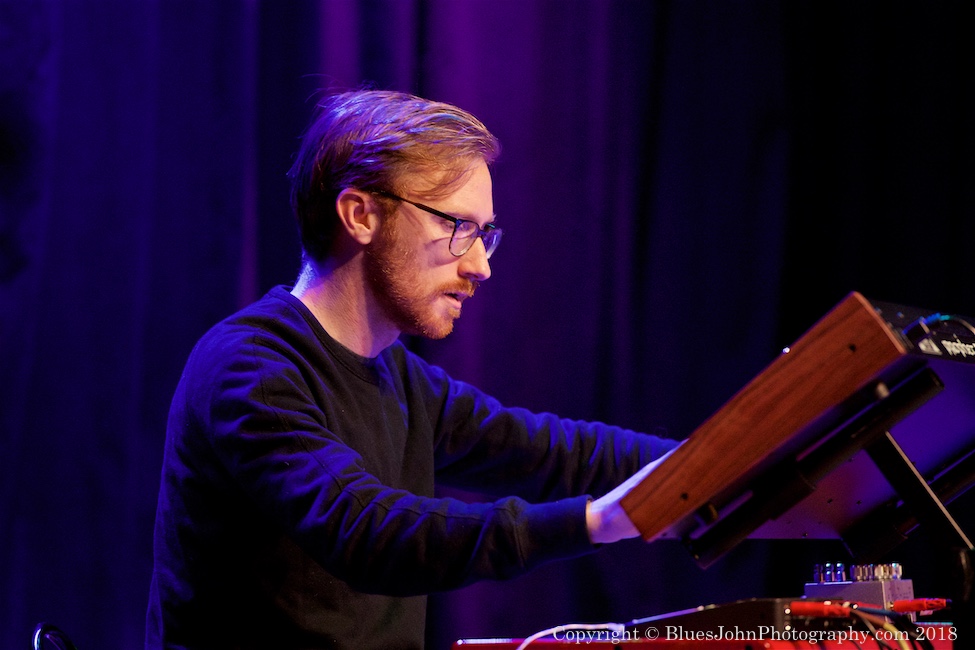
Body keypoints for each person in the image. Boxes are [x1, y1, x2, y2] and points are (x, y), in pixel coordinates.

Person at [146, 89, 679, 650]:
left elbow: (554, 453)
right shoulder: (248, 368)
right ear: (361, 215)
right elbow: (370, 531)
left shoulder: (401, 377)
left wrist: (724, 464)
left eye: (485, 235)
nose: (479, 266)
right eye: (458, 228)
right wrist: (600, 521)